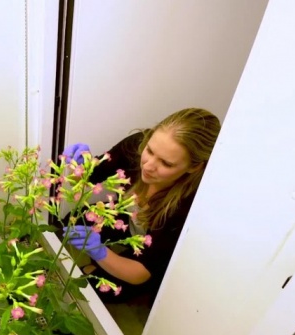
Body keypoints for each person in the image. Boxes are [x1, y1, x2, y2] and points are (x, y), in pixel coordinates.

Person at [62, 108, 221, 303]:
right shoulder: (136, 146)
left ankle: (97, 269)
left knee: (94, 290)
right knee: (73, 220)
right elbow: (88, 179)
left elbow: (140, 273)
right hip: (128, 220)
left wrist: (99, 252)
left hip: (151, 249)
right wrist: (76, 166)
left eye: (166, 164)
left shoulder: (188, 206)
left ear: (194, 166)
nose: (147, 166)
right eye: (150, 151)